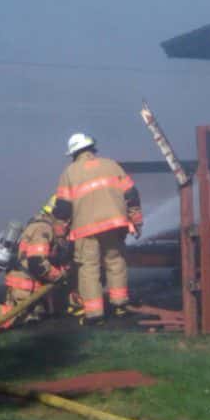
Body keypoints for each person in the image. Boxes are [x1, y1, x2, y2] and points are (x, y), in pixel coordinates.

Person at [55, 132, 142, 325]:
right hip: (114, 224)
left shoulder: (69, 173)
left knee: (89, 269)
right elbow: (131, 193)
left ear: (73, 153)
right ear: (91, 148)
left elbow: (62, 208)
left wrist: (60, 232)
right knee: (116, 262)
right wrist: (136, 218)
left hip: (86, 230)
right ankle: (120, 306)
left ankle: (95, 315)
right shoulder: (112, 165)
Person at [0, 195, 72, 328]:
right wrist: (60, 276)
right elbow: (38, 264)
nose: (66, 227)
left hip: (29, 289)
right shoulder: (43, 229)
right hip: (24, 290)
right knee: (16, 321)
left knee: (36, 320)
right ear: (56, 218)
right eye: (65, 222)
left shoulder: (44, 226)